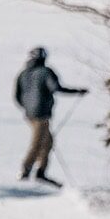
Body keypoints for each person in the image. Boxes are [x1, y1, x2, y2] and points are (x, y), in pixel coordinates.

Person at [14, 47, 88, 187]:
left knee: (47, 141)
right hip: (41, 114)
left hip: (29, 115)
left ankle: (40, 171)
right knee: (38, 142)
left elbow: (17, 96)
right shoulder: (45, 72)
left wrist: (27, 107)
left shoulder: (23, 74)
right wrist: (77, 91)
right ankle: (26, 170)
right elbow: (56, 88)